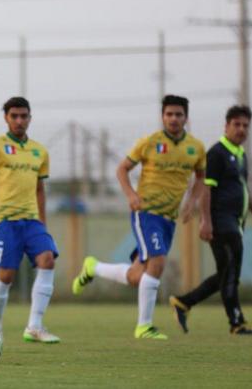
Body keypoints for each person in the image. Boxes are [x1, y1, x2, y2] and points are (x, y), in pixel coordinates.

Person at [72, 95, 206, 340]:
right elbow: (122, 168)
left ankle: (93, 267)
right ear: (163, 116)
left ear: (186, 117)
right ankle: (144, 326)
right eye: (169, 114)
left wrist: (192, 201)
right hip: (146, 214)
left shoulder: (195, 148)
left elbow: (201, 177)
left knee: (137, 276)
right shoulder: (149, 143)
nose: (174, 119)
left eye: (178, 114)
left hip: (168, 219)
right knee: (158, 262)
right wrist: (131, 194)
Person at [0, 97, 60, 343]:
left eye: (24, 116)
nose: (19, 120)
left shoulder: (40, 151)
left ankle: (35, 326)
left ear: (30, 118)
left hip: (32, 221)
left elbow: (40, 189)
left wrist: (43, 222)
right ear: (6, 118)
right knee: (7, 275)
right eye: (14, 116)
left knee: (48, 259)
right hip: (4, 220)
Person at [169, 105, 252, 335]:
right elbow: (205, 188)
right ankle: (237, 323)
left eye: (245, 126)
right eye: (237, 124)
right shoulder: (217, 153)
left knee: (226, 273)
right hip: (221, 222)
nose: (241, 129)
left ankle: (184, 302)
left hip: (235, 222)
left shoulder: (240, 155)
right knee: (230, 272)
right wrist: (205, 221)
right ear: (226, 126)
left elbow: (244, 189)